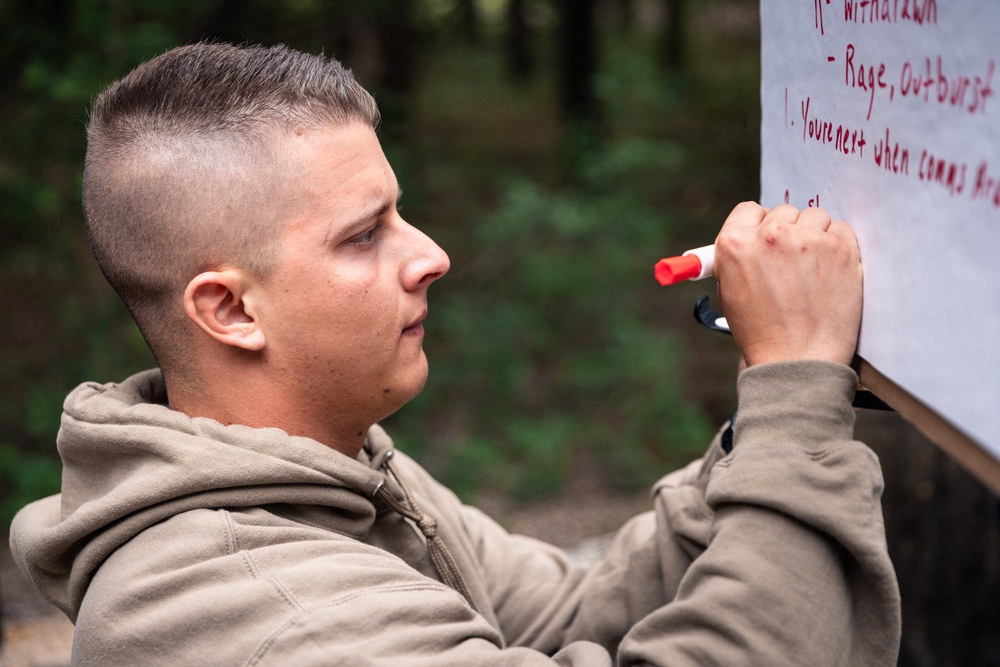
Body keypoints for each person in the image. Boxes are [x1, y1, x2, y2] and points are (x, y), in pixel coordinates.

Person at [10, 42, 900, 666]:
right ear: (232, 309)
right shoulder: (261, 612)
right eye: (364, 235)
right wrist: (795, 392)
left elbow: (567, 613)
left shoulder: (328, 464)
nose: (430, 252)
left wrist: (775, 398)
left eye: (399, 211)